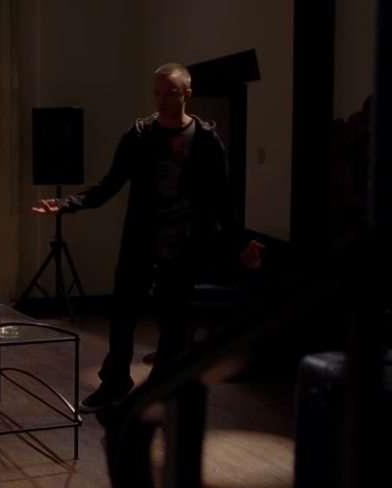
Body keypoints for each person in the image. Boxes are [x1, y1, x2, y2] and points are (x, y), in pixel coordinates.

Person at [33, 62, 263, 413]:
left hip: (184, 248)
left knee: (174, 325)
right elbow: (110, 183)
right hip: (140, 243)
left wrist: (239, 245)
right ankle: (114, 385)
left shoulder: (206, 140)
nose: (161, 100)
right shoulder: (139, 135)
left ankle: (160, 391)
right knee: (122, 317)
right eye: (157, 93)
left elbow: (222, 199)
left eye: (170, 93)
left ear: (186, 94)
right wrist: (66, 204)